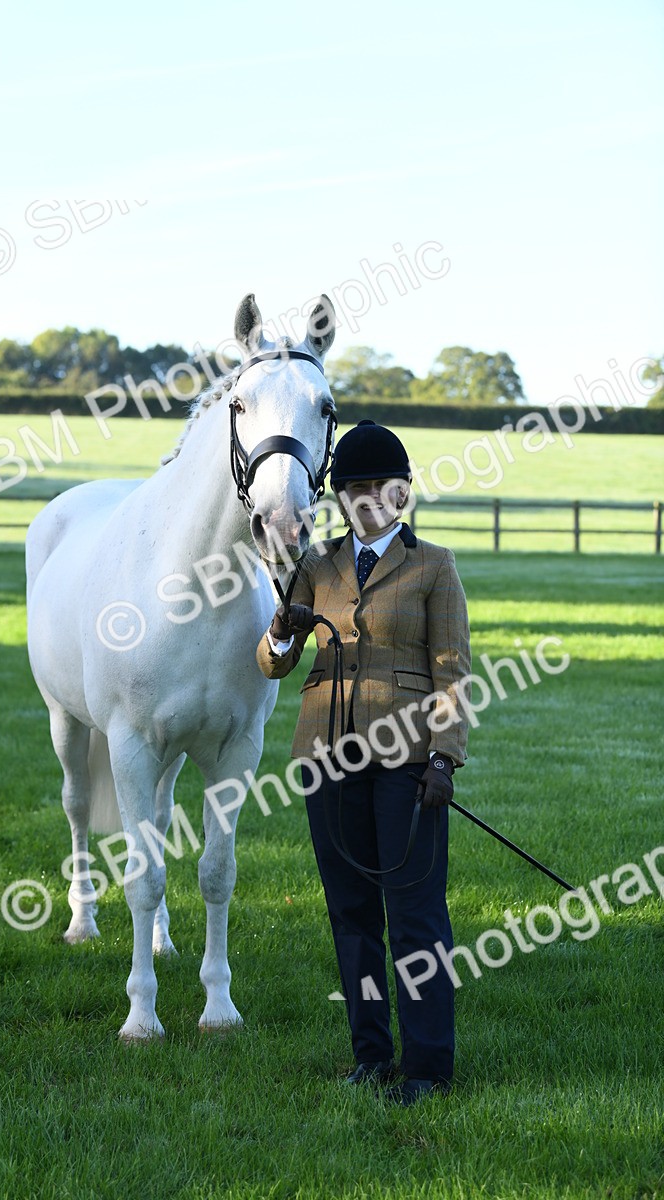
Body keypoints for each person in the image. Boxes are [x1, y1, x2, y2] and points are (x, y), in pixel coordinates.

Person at [255, 420, 471, 1106]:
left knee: (415, 915)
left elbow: (452, 670)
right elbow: (271, 665)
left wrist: (445, 757)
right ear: (341, 496)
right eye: (351, 489)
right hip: (326, 758)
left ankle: (429, 1067)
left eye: (376, 487)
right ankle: (371, 1055)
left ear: (399, 493)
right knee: (351, 914)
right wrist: (279, 629)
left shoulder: (434, 565)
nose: (363, 499)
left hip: (406, 761)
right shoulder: (317, 565)